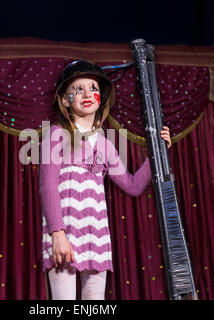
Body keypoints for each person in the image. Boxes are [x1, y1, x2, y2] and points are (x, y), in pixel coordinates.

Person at [39, 60, 171, 300]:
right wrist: (57, 234)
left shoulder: (105, 145)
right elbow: (47, 186)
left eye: (93, 88)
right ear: (66, 100)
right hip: (64, 235)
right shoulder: (57, 134)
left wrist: (157, 152)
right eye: (78, 90)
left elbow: (133, 185)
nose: (87, 94)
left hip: (95, 236)